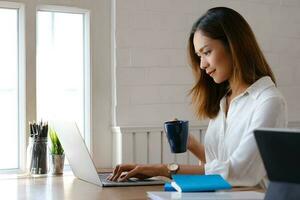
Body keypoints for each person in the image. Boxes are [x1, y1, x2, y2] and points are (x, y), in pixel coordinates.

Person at [108, 7, 287, 187]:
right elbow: (219, 164)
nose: (202, 64)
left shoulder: (268, 101)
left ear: (234, 46)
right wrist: (190, 144)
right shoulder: (225, 100)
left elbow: (240, 172)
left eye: (207, 52)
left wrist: (163, 169)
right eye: (199, 55)